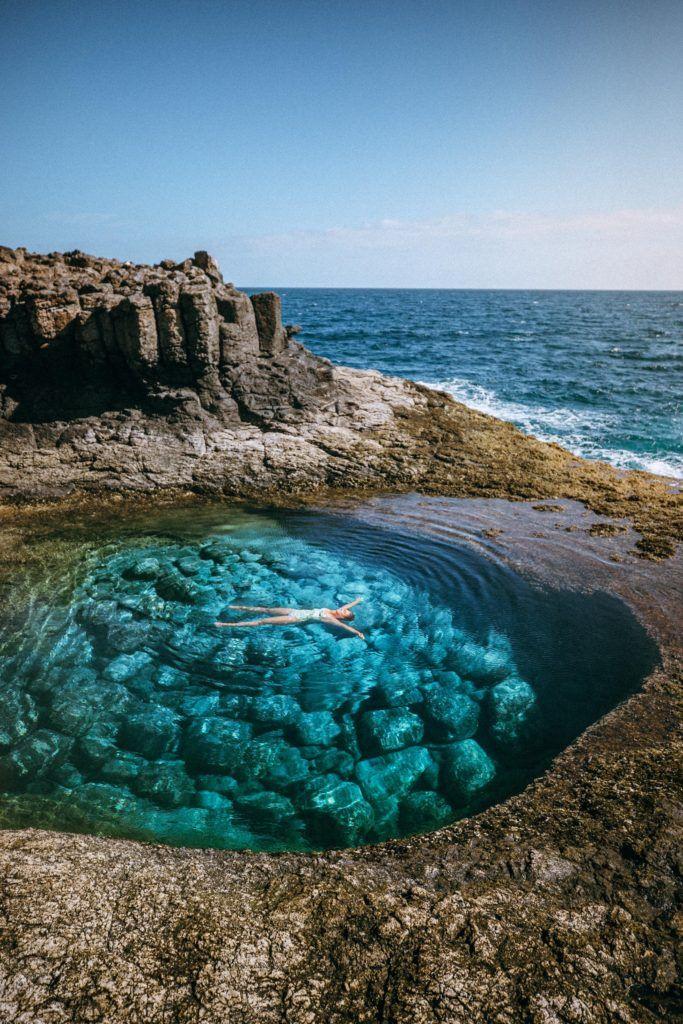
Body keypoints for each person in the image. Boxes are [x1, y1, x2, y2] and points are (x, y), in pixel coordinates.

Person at [215, 597, 365, 639]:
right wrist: (358, 601)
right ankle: (235, 607)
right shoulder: (335, 610)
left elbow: (346, 627)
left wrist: (357, 633)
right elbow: (348, 605)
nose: (343, 609)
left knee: (261, 621)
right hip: (294, 610)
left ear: (342, 616)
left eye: (344, 612)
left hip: (294, 619)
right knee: (266, 610)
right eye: (344, 609)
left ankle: (226, 625)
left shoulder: (331, 619)